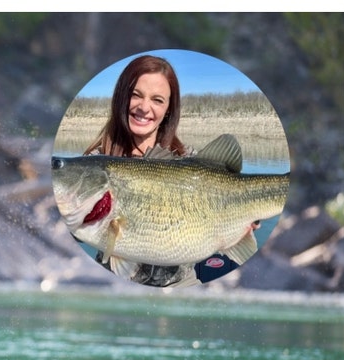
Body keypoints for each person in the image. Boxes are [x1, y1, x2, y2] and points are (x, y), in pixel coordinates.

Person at [82, 54, 239, 286]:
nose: (144, 107)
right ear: (120, 98)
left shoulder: (191, 161)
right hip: (118, 287)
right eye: (135, 95)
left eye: (157, 100)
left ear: (168, 109)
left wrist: (239, 224)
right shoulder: (92, 166)